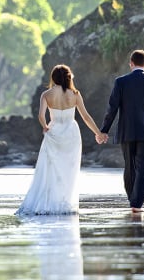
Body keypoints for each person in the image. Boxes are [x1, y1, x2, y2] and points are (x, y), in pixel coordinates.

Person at [16, 64, 106, 215]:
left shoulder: (46, 94)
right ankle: (64, 203)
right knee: (68, 170)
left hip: (54, 132)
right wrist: (98, 133)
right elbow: (85, 116)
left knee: (50, 170)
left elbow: (40, 115)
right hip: (71, 133)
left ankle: (49, 203)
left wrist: (45, 126)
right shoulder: (75, 94)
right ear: (69, 77)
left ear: (53, 77)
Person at [99, 50, 144, 213]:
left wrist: (104, 131)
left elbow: (112, 108)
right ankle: (136, 204)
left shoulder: (121, 82)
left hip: (127, 132)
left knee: (129, 167)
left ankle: (133, 199)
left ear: (131, 63)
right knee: (143, 168)